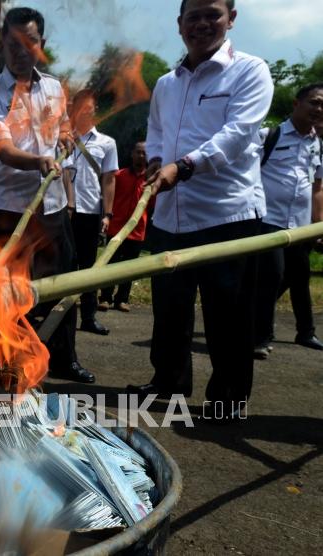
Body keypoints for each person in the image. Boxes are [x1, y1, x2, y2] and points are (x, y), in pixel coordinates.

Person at [127, 0, 274, 421]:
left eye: (213, 14)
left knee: (228, 312)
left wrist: (185, 166)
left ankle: (227, 398)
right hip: (170, 213)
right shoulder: (166, 84)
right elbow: (156, 133)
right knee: (169, 307)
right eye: (194, 16)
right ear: (179, 25)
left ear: (231, 18)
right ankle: (169, 382)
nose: (203, 24)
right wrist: (157, 160)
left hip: (227, 214)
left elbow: (237, 135)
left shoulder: (249, 70)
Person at [0, 7, 94, 384]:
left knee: (62, 285)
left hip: (52, 206)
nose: (21, 50)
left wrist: (63, 140)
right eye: (13, 44)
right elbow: (1, 149)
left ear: (42, 44)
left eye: (29, 42)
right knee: (8, 292)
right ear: (4, 44)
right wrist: (38, 161)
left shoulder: (54, 89)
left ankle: (64, 359)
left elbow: (60, 131)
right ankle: (12, 362)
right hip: (9, 210)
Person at [253, 83, 323, 359]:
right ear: (296, 104)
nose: (319, 109)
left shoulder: (316, 143)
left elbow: (317, 187)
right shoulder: (270, 135)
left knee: (300, 277)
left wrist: (317, 224)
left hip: (300, 224)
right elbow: (249, 175)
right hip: (269, 220)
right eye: (314, 102)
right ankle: (260, 337)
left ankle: (306, 332)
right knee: (271, 277)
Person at [65, 89, 117, 335]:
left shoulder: (107, 143)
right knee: (62, 264)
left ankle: (88, 316)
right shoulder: (61, 138)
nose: (86, 109)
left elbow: (109, 180)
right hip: (62, 211)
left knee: (88, 266)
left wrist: (107, 214)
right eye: (81, 104)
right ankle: (58, 317)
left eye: (90, 105)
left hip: (89, 211)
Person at [98, 141, 149, 312]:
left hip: (137, 231)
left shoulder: (150, 180)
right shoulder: (118, 176)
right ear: (132, 154)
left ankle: (122, 299)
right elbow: (108, 196)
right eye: (138, 152)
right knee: (110, 263)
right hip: (116, 228)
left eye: (144, 153)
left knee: (130, 267)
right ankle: (105, 297)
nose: (141, 156)